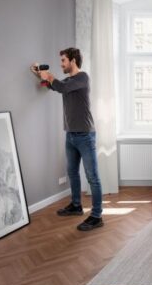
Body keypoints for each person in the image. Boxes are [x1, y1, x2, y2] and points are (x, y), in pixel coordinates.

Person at [30, 48, 103, 231]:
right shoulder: (68, 80)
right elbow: (54, 87)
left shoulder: (82, 78)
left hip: (85, 135)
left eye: (63, 60)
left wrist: (50, 75)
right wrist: (41, 75)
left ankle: (96, 216)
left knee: (92, 177)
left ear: (73, 61)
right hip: (70, 134)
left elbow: (62, 87)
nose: (61, 64)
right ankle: (76, 205)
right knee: (72, 172)